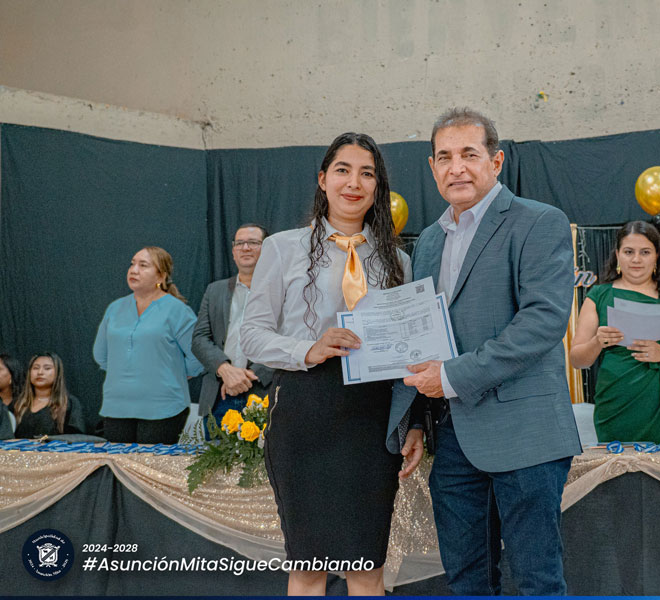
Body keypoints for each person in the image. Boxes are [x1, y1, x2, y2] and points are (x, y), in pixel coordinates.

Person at [389, 108, 582, 595]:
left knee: (537, 581)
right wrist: (417, 419)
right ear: (432, 167)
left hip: (526, 435)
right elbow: (423, 335)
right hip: (452, 438)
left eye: (469, 154)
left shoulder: (539, 222)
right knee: (466, 581)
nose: (456, 167)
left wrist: (450, 377)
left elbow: (541, 323)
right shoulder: (429, 241)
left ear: (495, 162)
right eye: (445, 157)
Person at [240, 132, 423, 596]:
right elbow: (251, 336)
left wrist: (415, 421)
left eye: (367, 173)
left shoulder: (399, 261)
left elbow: (412, 352)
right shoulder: (282, 248)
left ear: (378, 187)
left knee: (367, 566)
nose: (354, 183)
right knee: (308, 567)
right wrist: (309, 349)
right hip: (305, 412)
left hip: (372, 420)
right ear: (323, 179)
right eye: (343, 170)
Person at [569, 221, 660, 443]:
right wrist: (597, 341)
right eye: (629, 252)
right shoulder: (598, 295)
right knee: (620, 465)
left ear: (657, 256)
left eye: (645, 252)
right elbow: (577, 360)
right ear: (617, 255)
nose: (636, 259)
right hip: (617, 406)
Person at [93, 246, 204, 444]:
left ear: (161, 276)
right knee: (119, 463)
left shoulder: (177, 311)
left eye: (143, 265)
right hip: (117, 406)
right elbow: (101, 354)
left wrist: (171, 373)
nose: (134, 270)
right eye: (132, 264)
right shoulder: (115, 308)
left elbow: (198, 356)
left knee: (150, 463)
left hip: (163, 407)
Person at [192, 224, 273, 439]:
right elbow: (199, 339)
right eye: (240, 243)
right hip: (219, 396)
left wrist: (248, 376)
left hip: (262, 394)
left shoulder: (282, 291)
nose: (245, 248)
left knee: (262, 461)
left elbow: (288, 339)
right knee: (216, 459)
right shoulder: (215, 290)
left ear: (268, 249)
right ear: (233, 251)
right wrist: (225, 369)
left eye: (253, 242)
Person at [13, 352, 85, 438]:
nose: (40, 372)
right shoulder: (17, 404)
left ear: (57, 373)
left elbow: (76, 438)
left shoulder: (69, 404)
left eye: (47, 368)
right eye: (35, 368)